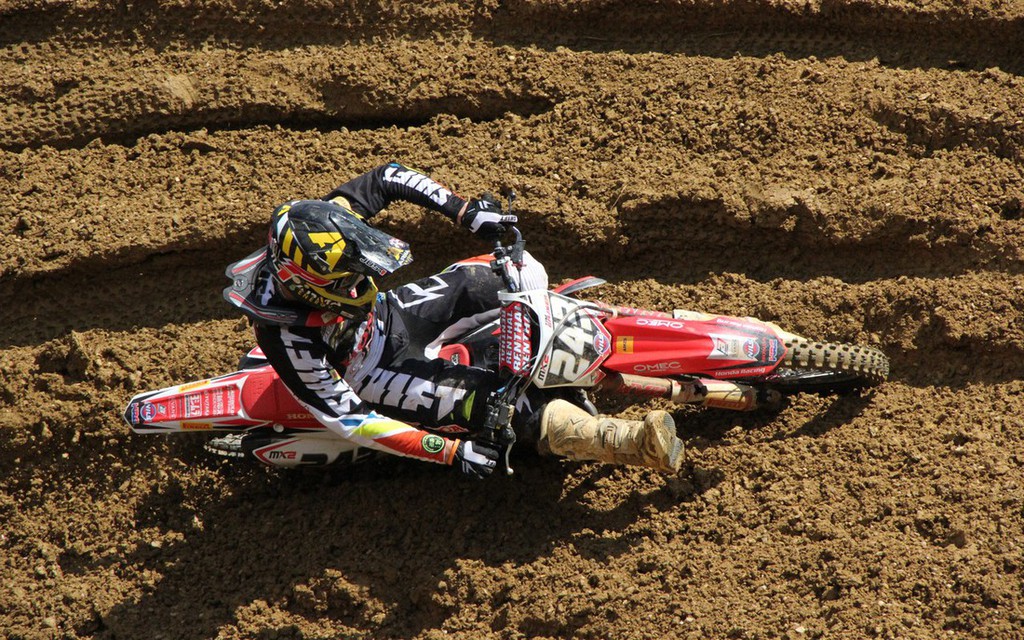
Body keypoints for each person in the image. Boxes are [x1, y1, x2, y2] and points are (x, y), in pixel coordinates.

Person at [217, 162, 683, 478]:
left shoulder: (321, 225)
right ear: (305, 284)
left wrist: (464, 211)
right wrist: (451, 452)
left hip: (391, 315)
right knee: (499, 411)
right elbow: (352, 420)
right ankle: (626, 441)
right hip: (371, 373)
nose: (358, 283)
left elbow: (388, 176)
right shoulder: (287, 338)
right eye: (348, 280)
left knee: (511, 273)